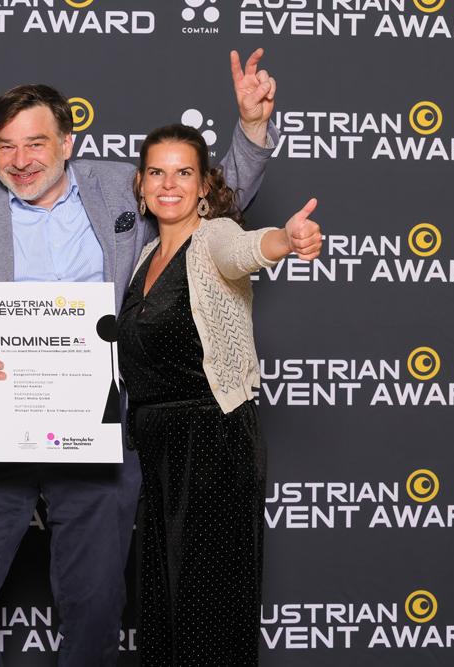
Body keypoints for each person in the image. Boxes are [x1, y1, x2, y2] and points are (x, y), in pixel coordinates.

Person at [0, 49, 288, 665]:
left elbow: (214, 194)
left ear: (67, 143)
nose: (20, 159)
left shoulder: (121, 186)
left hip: (97, 427)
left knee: (94, 604)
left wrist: (251, 127)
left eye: (35, 143)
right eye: (6, 145)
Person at [119, 123, 320, 666]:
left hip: (213, 442)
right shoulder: (144, 257)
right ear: (140, 184)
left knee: (208, 609)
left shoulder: (212, 237)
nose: (169, 185)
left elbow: (246, 250)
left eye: (183, 172)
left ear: (205, 185)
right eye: (157, 173)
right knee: (164, 606)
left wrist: (286, 240)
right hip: (159, 449)